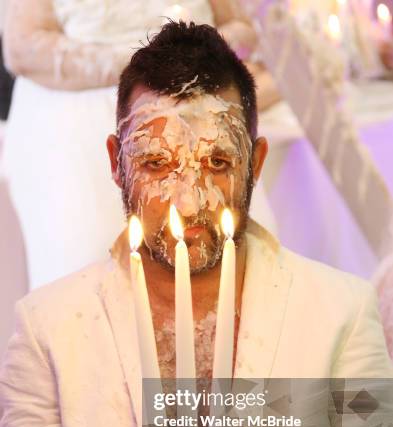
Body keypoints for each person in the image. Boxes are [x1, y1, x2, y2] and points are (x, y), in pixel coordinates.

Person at [1, 21, 393, 427]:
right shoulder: (45, 329)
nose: (191, 200)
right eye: (157, 162)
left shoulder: (343, 312)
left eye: (216, 161)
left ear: (255, 161)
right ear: (116, 163)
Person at [2, 0, 279, 290]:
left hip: (193, 101)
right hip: (83, 113)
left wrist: (190, 55)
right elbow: (22, 46)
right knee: (90, 268)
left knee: (241, 262)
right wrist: (142, 63)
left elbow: (243, 26)